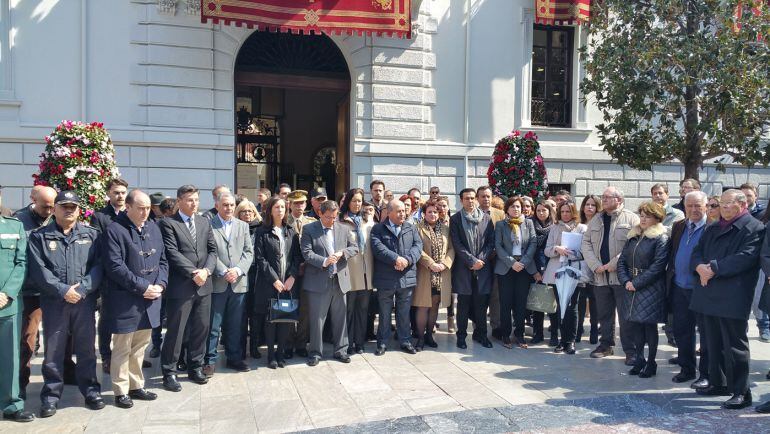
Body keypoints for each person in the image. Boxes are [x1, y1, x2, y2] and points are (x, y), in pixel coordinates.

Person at [27, 191, 104, 417]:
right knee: (54, 352)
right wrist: (63, 290)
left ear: (79, 209)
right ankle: (51, 396)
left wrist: (81, 290)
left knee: (86, 349)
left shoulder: (92, 235)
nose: (69, 210)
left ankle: (91, 391)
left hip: (84, 302)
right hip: (54, 303)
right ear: (55, 209)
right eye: (64, 206)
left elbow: (98, 266)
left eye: (73, 206)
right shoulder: (40, 236)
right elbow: (38, 270)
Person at [690, 189, 765, 409]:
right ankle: (718, 383)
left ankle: (741, 391)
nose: (722, 208)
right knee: (712, 342)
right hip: (708, 290)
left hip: (733, 293)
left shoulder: (754, 227)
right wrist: (699, 267)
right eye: (720, 204)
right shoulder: (713, 227)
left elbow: (746, 258)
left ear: (742, 205)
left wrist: (712, 268)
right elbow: (697, 251)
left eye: (727, 204)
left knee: (734, 346)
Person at [102, 190, 167, 408]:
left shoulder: (153, 228)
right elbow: (114, 266)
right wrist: (143, 287)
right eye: (140, 208)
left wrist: (160, 284)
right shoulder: (114, 230)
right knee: (122, 347)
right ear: (128, 207)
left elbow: (164, 261)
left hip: (150, 299)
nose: (145, 212)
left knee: (141, 346)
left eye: (148, 208)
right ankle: (120, 390)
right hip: (126, 299)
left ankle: (136, 385)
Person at [158, 185, 217, 392]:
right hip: (182, 286)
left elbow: (212, 250)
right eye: (190, 200)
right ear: (179, 201)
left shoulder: (204, 222)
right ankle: (169, 371)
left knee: (201, 328)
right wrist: (194, 272)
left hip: (204, 285)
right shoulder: (168, 223)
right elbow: (172, 253)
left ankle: (195, 366)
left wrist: (207, 271)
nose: (194, 204)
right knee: (176, 331)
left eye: (197, 200)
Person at [581, 186, 640, 364]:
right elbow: (586, 243)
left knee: (625, 316)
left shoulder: (631, 218)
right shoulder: (596, 219)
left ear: (619, 200)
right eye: (603, 196)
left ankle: (631, 351)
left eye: (608, 197)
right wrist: (595, 265)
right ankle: (605, 344)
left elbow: (634, 244)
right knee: (604, 314)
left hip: (621, 276)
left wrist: (614, 263)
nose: (604, 199)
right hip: (600, 276)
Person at [300, 200, 358, 366]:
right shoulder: (309, 229)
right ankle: (315, 353)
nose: (332, 220)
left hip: (340, 280)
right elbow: (306, 252)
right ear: (319, 213)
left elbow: (355, 247)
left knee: (340, 318)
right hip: (318, 281)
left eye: (334, 217)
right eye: (328, 217)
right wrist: (324, 261)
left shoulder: (344, 228)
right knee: (317, 320)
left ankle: (341, 350)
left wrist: (343, 253)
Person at [617, 201, 669, 378]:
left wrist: (636, 283)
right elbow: (622, 260)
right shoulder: (634, 235)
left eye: (648, 216)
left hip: (650, 287)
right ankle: (639, 359)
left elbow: (658, 266)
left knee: (649, 326)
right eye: (642, 215)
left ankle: (651, 362)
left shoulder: (660, 237)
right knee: (635, 326)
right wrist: (625, 280)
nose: (643, 219)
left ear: (657, 218)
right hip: (631, 285)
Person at [204, 192, 254, 375]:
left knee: (235, 325)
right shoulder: (209, 225)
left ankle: (234, 358)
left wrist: (238, 270)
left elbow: (249, 252)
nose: (229, 208)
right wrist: (224, 271)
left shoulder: (242, 226)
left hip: (238, 283)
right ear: (217, 205)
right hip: (218, 282)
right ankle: (209, 360)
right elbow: (209, 252)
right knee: (213, 325)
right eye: (225, 205)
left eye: (232, 205)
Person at [15, 185, 57, 395]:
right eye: (45, 207)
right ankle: (21, 383)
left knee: (58, 336)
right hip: (30, 290)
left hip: (53, 289)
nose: (49, 211)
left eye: (52, 207)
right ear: (33, 199)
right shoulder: (19, 221)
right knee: (27, 339)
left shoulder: (56, 218)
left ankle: (63, 374)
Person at [254, 197, 303, 368]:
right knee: (270, 321)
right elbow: (260, 259)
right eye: (277, 207)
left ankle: (281, 354)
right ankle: (271, 356)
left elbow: (297, 257)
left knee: (285, 319)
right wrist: (274, 279)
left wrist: (292, 277)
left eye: (283, 207)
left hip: (288, 284)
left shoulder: (291, 231)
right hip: (270, 283)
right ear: (270, 210)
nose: (280, 210)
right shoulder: (262, 231)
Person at [667, 191, 710, 388]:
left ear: (706, 206)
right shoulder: (678, 226)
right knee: (682, 330)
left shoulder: (712, 228)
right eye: (689, 206)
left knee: (707, 334)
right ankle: (687, 368)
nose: (693, 210)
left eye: (697, 206)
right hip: (678, 286)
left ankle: (706, 373)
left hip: (702, 289)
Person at [370, 199, 422, 354]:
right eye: (399, 211)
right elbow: (378, 248)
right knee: (384, 313)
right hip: (386, 278)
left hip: (406, 276)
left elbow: (418, 246)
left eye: (404, 211)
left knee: (403, 312)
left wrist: (407, 260)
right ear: (389, 212)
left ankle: (405, 341)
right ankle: (382, 343)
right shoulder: (378, 229)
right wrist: (395, 259)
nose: (403, 213)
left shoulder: (411, 228)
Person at [0, 187, 34, 422]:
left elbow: (22, 263)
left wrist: (7, 292)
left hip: (8, 304)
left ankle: (12, 404)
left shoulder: (14, 226)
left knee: (10, 358)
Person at [91, 178, 129, 373]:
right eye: (116, 192)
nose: (120, 196)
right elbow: (98, 247)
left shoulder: (131, 213)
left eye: (123, 192)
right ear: (108, 194)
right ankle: (106, 356)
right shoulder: (100, 217)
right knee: (106, 318)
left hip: (130, 275)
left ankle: (129, 357)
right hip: (108, 276)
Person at [450, 188, 495, 349]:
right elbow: (456, 244)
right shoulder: (455, 219)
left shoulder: (487, 219)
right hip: (463, 269)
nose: (470, 201)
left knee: (481, 305)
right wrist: (471, 260)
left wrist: (480, 260)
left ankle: (481, 335)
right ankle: (461, 336)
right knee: (463, 305)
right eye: (466, 198)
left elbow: (491, 242)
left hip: (482, 269)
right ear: (461, 200)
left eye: (472, 198)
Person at [542, 200, 587, 354]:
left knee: (571, 307)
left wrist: (571, 252)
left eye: (568, 211)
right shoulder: (554, 227)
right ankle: (562, 340)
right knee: (560, 307)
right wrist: (556, 249)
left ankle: (571, 341)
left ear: (573, 212)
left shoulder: (582, 228)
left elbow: (586, 252)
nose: (565, 214)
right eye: (563, 212)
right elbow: (547, 250)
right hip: (556, 272)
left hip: (574, 272)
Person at [494, 196, 537, 349]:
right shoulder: (500, 225)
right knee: (505, 303)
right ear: (507, 209)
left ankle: (519, 334)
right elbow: (498, 246)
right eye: (512, 207)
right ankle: (506, 334)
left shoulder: (529, 223)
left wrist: (523, 262)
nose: (516, 209)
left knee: (521, 303)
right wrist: (512, 263)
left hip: (524, 268)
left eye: (518, 206)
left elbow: (533, 243)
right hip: (506, 268)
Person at [414, 199, 454, 350]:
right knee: (423, 306)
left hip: (441, 274)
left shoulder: (445, 229)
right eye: (429, 211)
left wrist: (444, 264)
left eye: (435, 212)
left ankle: (429, 335)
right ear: (424, 213)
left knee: (435, 306)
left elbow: (451, 248)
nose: (432, 214)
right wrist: (431, 263)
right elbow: (417, 249)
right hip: (425, 273)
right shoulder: (417, 228)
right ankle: (420, 338)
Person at [339, 188, 374, 355]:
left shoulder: (368, 221)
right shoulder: (341, 221)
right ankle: (348, 343)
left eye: (359, 201)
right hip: (350, 272)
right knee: (349, 310)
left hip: (367, 273)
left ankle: (359, 342)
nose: (357, 204)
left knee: (363, 310)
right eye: (354, 201)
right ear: (348, 202)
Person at [286, 190, 316, 358]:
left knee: (305, 310)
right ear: (290, 204)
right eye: (296, 203)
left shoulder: (311, 222)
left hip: (308, 272)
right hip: (290, 272)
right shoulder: (284, 221)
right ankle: (288, 343)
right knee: (289, 307)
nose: (299, 206)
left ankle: (301, 343)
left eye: (302, 203)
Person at [235, 199, 263, 360]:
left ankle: (254, 346)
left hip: (257, 275)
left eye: (250, 211)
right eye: (243, 211)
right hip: (239, 275)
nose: (247, 214)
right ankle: (240, 349)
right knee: (240, 314)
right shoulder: (235, 229)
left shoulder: (260, 229)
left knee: (255, 313)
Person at [477, 186, 505, 339]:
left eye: (488, 196)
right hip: (480, 261)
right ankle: (478, 326)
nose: (486, 199)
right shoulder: (473, 214)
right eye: (482, 196)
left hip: (497, 260)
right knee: (480, 295)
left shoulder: (500, 214)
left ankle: (496, 326)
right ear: (478, 198)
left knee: (496, 295)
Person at [530, 200, 556, 345]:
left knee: (552, 304)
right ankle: (537, 334)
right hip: (534, 269)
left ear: (549, 211)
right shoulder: (530, 225)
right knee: (537, 304)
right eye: (538, 210)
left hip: (551, 269)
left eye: (543, 210)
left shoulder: (555, 227)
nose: (541, 213)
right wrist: (535, 271)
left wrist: (547, 270)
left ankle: (553, 335)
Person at [576, 195, 600, 344]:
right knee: (580, 300)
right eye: (587, 204)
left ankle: (594, 330)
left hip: (597, 266)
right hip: (581, 267)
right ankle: (578, 329)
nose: (590, 207)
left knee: (595, 300)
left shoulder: (601, 223)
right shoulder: (578, 224)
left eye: (593, 205)